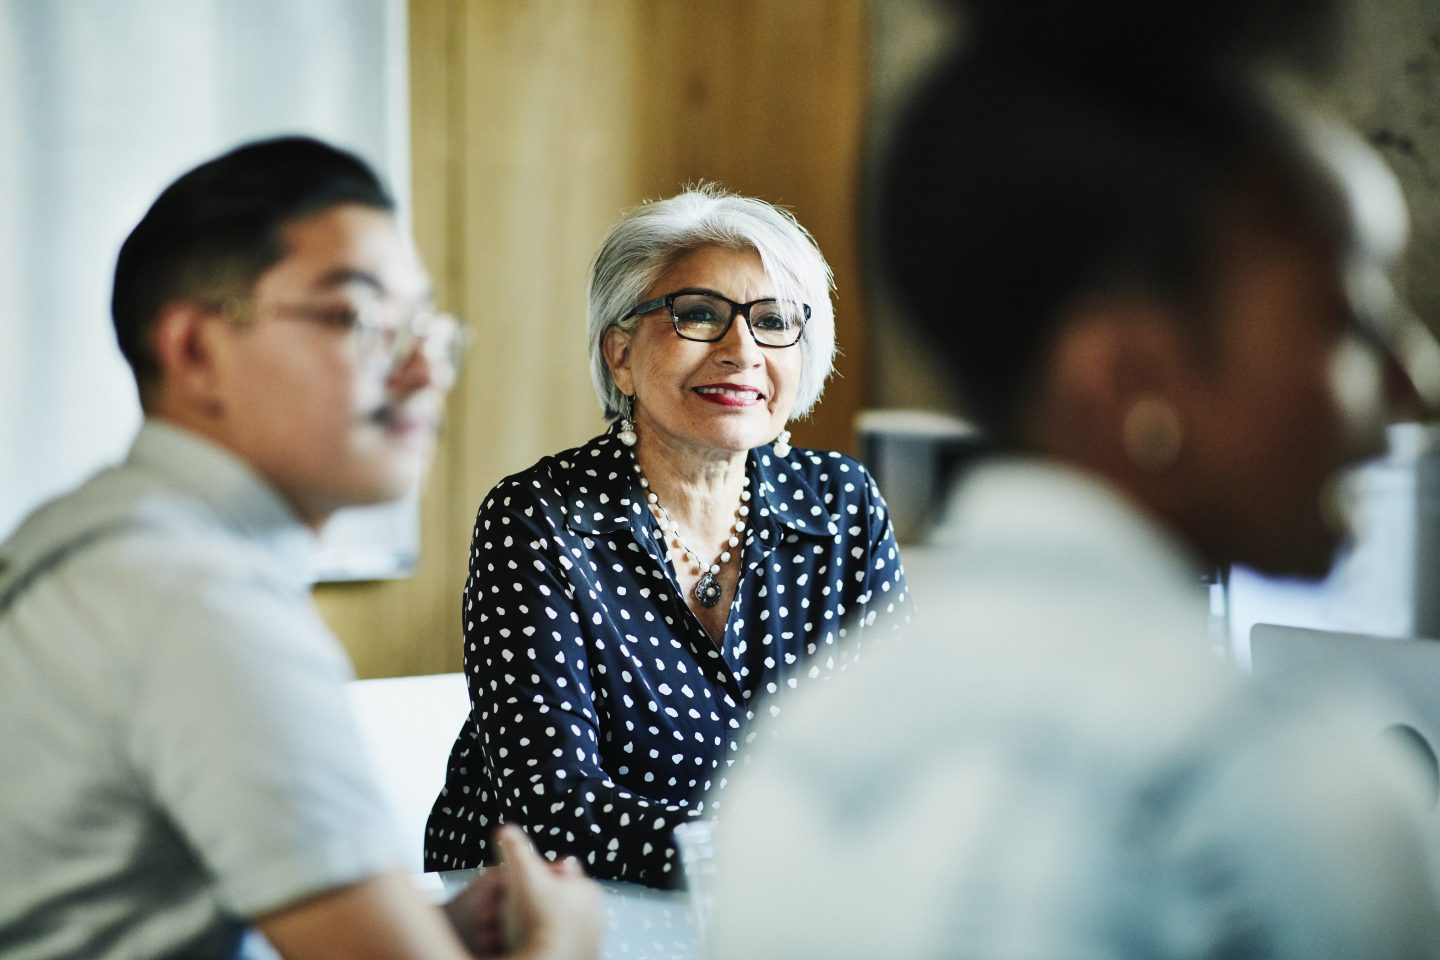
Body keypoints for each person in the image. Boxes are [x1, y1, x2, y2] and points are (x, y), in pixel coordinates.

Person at [705, 10, 1440, 959]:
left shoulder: (795, 765)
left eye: (771, 321)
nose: (1412, 382)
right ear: (1129, 379)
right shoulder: (1292, 798)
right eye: (1347, 315)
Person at [0, 136, 601, 960]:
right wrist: (560, 948)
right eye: (361, 319)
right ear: (196, 351)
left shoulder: (96, 536)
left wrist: (427, 934)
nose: (425, 368)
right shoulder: (199, 600)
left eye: (425, 325)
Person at [425, 185, 913, 888]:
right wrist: (764, 860)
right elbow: (555, 811)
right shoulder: (539, 518)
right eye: (699, 316)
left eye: (773, 320)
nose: (741, 350)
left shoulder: (843, 506)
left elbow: (901, 751)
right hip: (551, 918)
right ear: (620, 355)